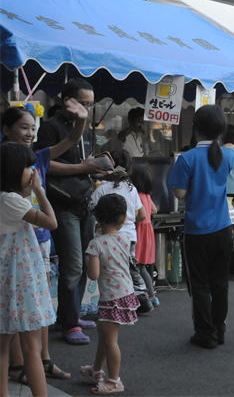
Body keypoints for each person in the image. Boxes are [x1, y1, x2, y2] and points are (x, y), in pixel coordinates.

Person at [2, 103, 88, 383]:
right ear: (6, 130)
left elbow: (73, 139)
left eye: (32, 127)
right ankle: (21, 365)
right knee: (19, 309)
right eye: (23, 127)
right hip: (17, 246)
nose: (29, 133)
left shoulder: (38, 157)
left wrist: (82, 119)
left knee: (37, 305)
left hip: (37, 240)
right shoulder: (6, 172)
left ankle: (42, 360)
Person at [35, 78, 110, 345]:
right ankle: (68, 324)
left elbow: (83, 162)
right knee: (73, 264)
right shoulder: (50, 127)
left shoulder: (84, 128)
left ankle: (72, 315)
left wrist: (97, 167)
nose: (87, 109)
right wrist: (82, 168)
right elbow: (47, 165)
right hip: (62, 204)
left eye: (90, 104)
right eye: (83, 103)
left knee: (85, 261)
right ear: (68, 100)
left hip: (84, 201)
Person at [169, 105, 234, 349]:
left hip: (197, 231)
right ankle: (219, 329)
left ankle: (205, 333)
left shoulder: (186, 158)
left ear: (195, 129)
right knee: (220, 284)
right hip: (223, 229)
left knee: (199, 285)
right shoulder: (229, 156)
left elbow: (180, 192)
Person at [0, 143, 58, 397]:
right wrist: (39, 189)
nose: (33, 171)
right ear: (14, 170)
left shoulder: (7, 199)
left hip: (8, 283)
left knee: (3, 348)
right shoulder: (10, 200)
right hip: (21, 283)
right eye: (28, 166)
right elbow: (51, 222)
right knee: (31, 348)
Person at [81, 194, 140, 394]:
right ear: (123, 219)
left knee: (110, 341)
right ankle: (96, 371)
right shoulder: (125, 238)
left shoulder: (95, 244)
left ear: (97, 218)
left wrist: (89, 259)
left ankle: (114, 381)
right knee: (105, 335)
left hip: (111, 299)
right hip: (125, 294)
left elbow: (93, 274)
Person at [91, 150, 153, 315]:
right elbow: (142, 214)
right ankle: (141, 296)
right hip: (128, 237)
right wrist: (129, 222)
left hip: (107, 238)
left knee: (111, 271)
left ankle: (117, 301)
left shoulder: (101, 189)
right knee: (131, 268)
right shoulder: (131, 188)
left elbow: (92, 212)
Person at [131, 164, 159, 306]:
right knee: (142, 267)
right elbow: (154, 210)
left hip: (139, 231)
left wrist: (133, 219)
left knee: (136, 267)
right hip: (148, 231)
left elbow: (139, 216)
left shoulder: (136, 195)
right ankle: (153, 296)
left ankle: (147, 297)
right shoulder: (147, 195)